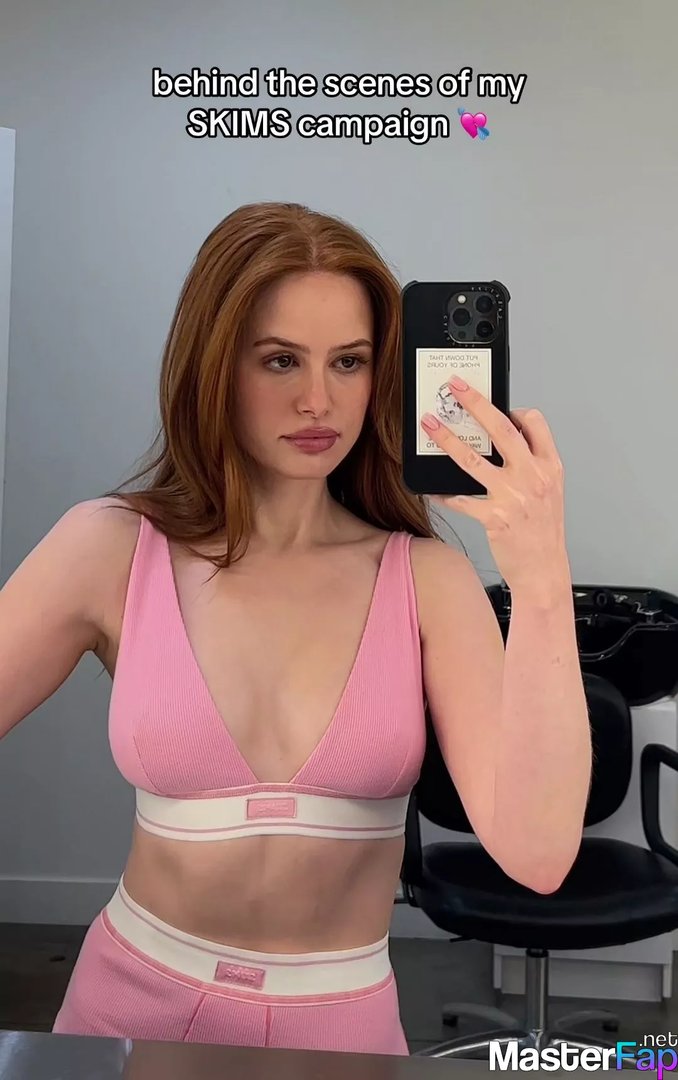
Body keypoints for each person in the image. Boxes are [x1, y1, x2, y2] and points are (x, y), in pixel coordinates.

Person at [0, 202, 592, 1056]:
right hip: (126, 1014)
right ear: (214, 366)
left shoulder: (428, 580)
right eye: (281, 359)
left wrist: (541, 576)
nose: (319, 400)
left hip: (340, 1033)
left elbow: (538, 856)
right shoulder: (111, 547)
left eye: (349, 361)